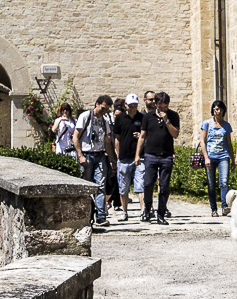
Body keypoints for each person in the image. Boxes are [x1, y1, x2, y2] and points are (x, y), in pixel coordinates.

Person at [135, 90, 179, 224]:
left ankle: (161, 214)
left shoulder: (173, 115)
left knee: (164, 186)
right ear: (155, 103)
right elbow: (142, 137)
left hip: (166, 156)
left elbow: (175, 134)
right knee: (148, 184)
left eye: (165, 106)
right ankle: (147, 209)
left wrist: (166, 121)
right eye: (161, 106)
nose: (163, 109)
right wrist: (137, 154)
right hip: (150, 155)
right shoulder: (148, 117)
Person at [72, 95, 116, 226]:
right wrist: (80, 155)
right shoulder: (85, 117)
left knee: (101, 186)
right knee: (85, 186)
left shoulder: (105, 120)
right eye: (103, 108)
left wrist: (112, 159)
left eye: (106, 110)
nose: (104, 112)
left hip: (100, 155)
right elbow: (75, 136)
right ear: (96, 104)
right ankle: (85, 215)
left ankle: (101, 216)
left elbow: (107, 141)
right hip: (87, 154)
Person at [112, 93, 143, 221]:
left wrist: (140, 135)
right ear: (126, 105)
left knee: (141, 185)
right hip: (124, 157)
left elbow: (147, 135)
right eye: (131, 106)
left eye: (135, 105)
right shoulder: (119, 119)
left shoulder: (142, 117)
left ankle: (143, 211)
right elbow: (117, 138)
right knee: (123, 187)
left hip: (140, 157)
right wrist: (118, 155)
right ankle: (124, 212)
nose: (133, 108)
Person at [200, 99, 233, 217]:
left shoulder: (227, 126)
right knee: (211, 184)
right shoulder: (207, 123)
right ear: (213, 111)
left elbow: (229, 144)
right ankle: (213, 209)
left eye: (219, 109)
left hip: (223, 156)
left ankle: (224, 207)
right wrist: (206, 158)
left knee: (224, 182)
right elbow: (202, 142)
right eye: (215, 109)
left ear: (223, 111)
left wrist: (233, 160)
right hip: (210, 157)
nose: (217, 111)